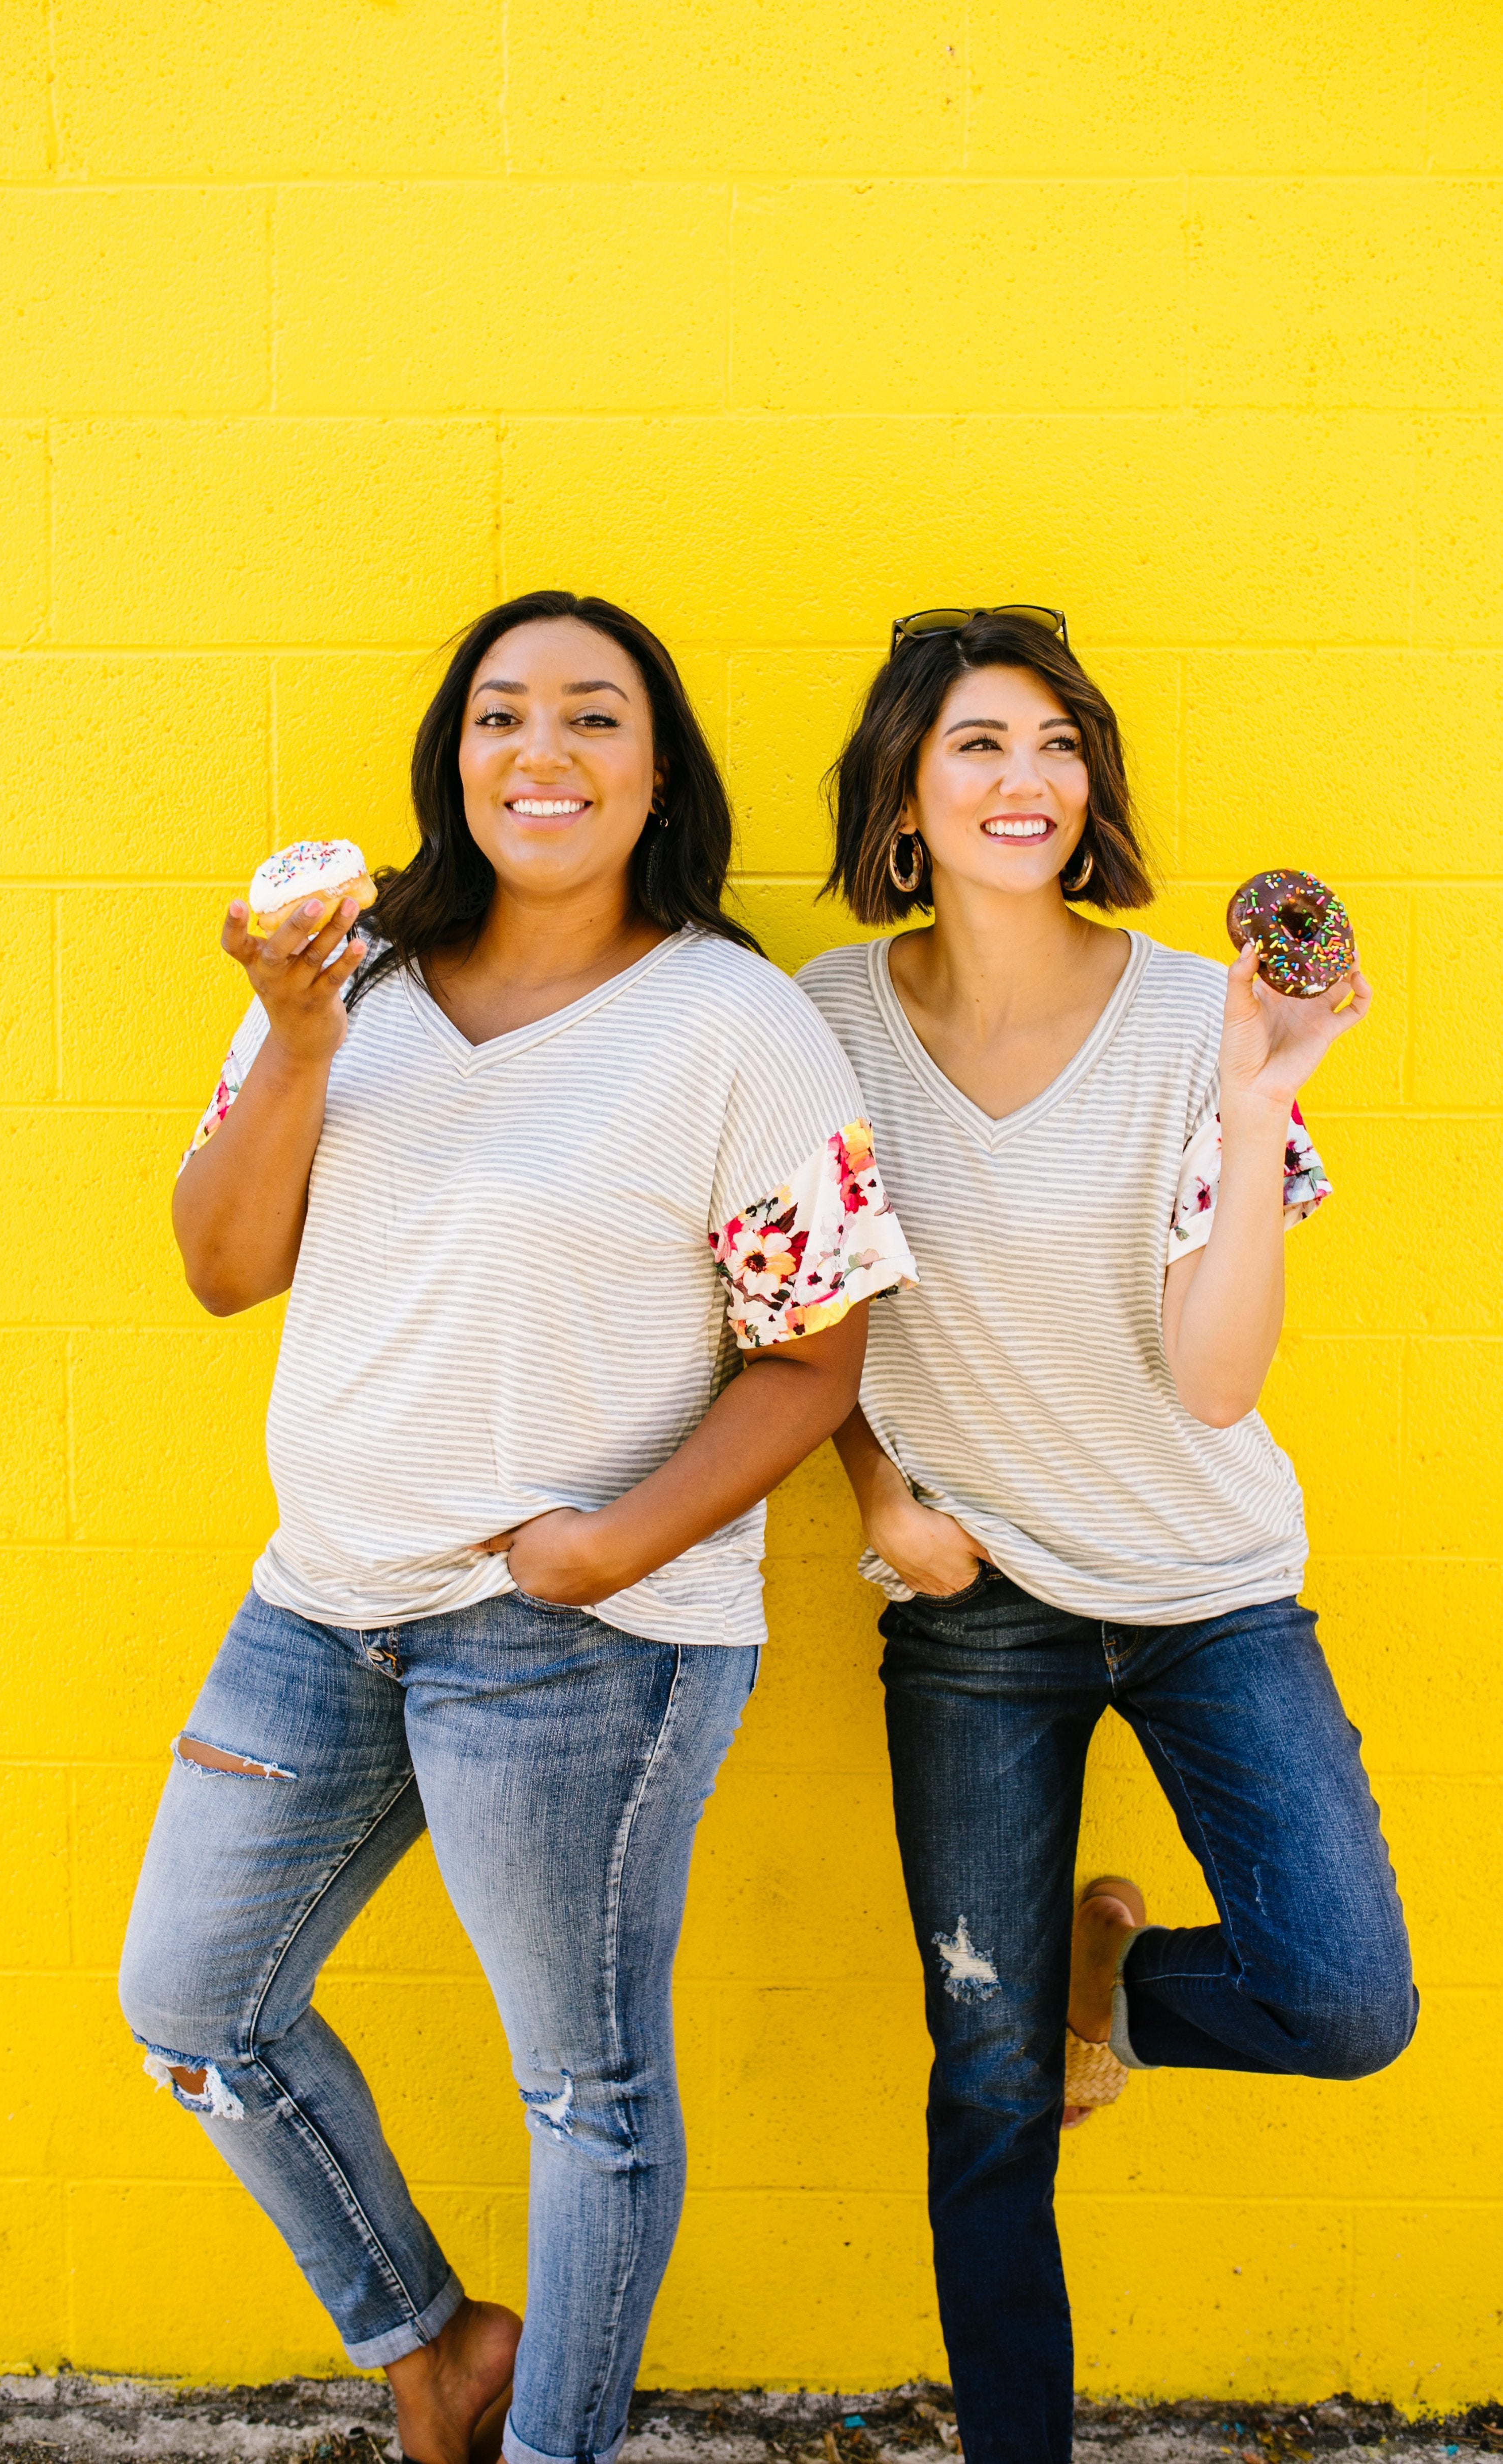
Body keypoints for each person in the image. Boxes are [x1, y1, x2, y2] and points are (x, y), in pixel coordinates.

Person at [119, 591, 913, 2464]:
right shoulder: (353, 986)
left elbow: (812, 1363)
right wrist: (294, 1035)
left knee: (584, 2089)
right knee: (194, 2009)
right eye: (499, 715)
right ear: (452, 762)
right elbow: (226, 1270)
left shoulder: (735, 1021)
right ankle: (435, 2343)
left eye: (590, 717)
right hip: (321, 1607)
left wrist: (613, 1549)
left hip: (581, 1641)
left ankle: (555, 2442)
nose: (539, 750)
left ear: (655, 774)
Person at [797, 606, 1415, 2464]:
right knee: (983, 2092)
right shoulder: (815, 1025)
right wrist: (878, 1502)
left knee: (1340, 1996)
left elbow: (1214, 1380)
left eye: (1057, 745)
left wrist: (1257, 1093)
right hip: (973, 1608)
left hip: (1209, 1589)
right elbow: (780, 1304)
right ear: (908, 788)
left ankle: (1113, 1990)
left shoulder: (1186, 1019)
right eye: (979, 743)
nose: (1026, 779)